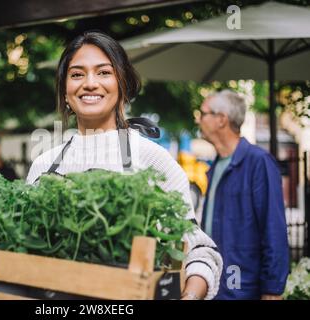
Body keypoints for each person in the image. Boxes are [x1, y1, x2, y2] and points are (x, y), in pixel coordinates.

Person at [26, 31, 223, 300]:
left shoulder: (153, 160)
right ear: (64, 90)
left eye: (104, 72)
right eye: (77, 74)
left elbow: (199, 251)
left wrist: (189, 296)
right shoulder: (44, 166)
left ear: (123, 84)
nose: (90, 83)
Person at [196, 90, 289, 300]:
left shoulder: (258, 162)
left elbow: (274, 228)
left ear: (221, 120)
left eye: (203, 113)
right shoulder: (217, 164)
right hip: (217, 284)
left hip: (244, 288)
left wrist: (273, 289)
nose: (199, 119)